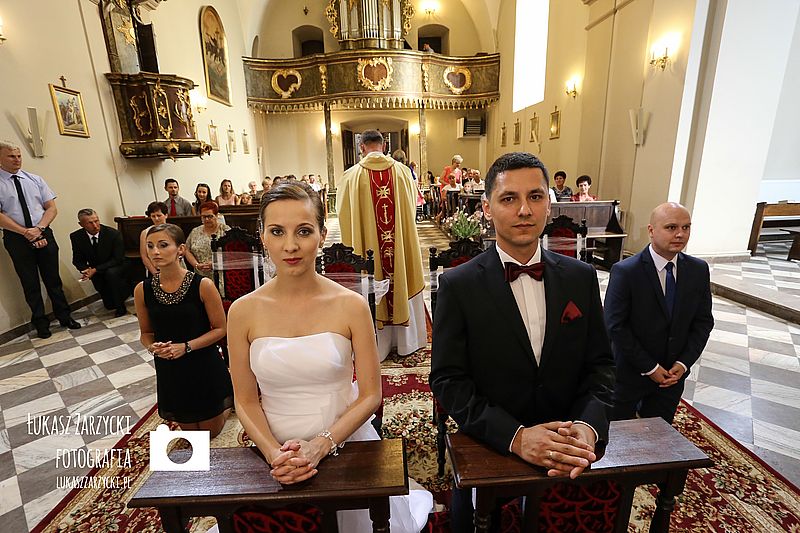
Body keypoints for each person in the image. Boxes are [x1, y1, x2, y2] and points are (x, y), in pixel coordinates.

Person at [227, 182, 432, 531]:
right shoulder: (242, 312)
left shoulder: (351, 305)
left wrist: (321, 445)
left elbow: (370, 394)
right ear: (262, 237)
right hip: (273, 447)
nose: (290, 246)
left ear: (322, 235)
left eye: (303, 231)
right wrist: (274, 453)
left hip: (344, 440)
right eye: (277, 231)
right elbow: (245, 400)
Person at [429, 152, 615, 531]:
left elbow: (601, 366)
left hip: (569, 446)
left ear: (549, 204)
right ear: (487, 208)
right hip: (492, 444)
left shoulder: (581, 277)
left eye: (535, 196)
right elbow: (448, 379)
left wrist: (588, 426)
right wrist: (515, 438)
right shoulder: (458, 285)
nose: (524, 210)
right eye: (509, 198)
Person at [604, 202, 714, 424]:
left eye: (686, 227)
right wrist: (650, 367)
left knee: (659, 433)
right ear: (651, 230)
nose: (680, 234)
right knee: (618, 432)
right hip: (631, 373)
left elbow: (703, 322)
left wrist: (683, 363)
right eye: (671, 227)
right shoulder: (626, 271)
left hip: (673, 376)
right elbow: (615, 326)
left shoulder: (698, 270)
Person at [134, 223, 233, 436]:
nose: (155, 252)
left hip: (202, 362)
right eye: (150, 246)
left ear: (180, 249)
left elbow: (220, 329)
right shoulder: (142, 289)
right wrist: (153, 347)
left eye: (163, 245)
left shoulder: (202, 285)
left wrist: (186, 347)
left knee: (209, 433)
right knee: (192, 433)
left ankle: (229, 399)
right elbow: (146, 333)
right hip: (170, 369)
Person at [337, 129, 427, 359]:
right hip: (399, 250)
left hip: (369, 251)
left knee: (370, 276)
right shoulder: (403, 172)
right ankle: (406, 343)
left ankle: (376, 346)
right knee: (402, 275)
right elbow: (412, 210)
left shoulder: (351, 176)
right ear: (384, 146)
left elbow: (344, 217)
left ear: (361, 147)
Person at [0, 140, 81, 338]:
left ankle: (64, 316)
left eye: (19, 156)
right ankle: (40, 323)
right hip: (16, 238)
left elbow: (51, 207)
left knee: (53, 279)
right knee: (30, 283)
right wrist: (25, 232)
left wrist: (39, 229)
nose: (17, 160)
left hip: (43, 230)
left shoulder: (34, 179)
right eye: (11, 156)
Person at [70, 208, 128, 317]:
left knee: (111, 274)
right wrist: (85, 270)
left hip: (115, 265)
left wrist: (95, 270)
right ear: (81, 224)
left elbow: (118, 258)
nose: (95, 225)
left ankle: (121, 306)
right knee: (109, 305)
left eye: (96, 221)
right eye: (90, 223)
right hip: (96, 268)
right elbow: (77, 259)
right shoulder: (76, 237)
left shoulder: (112, 234)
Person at [185, 201, 230, 279]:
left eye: (210, 216)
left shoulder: (225, 230)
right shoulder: (195, 231)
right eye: (203, 217)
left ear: (216, 215)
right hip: (200, 275)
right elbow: (187, 250)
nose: (206, 219)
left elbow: (232, 253)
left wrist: (216, 264)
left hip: (221, 275)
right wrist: (196, 265)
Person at [140, 201, 169, 276]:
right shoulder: (145, 233)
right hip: (154, 269)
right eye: (153, 216)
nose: (156, 218)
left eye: (159, 215)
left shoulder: (173, 231)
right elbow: (144, 256)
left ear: (166, 215)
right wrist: (155, 273)